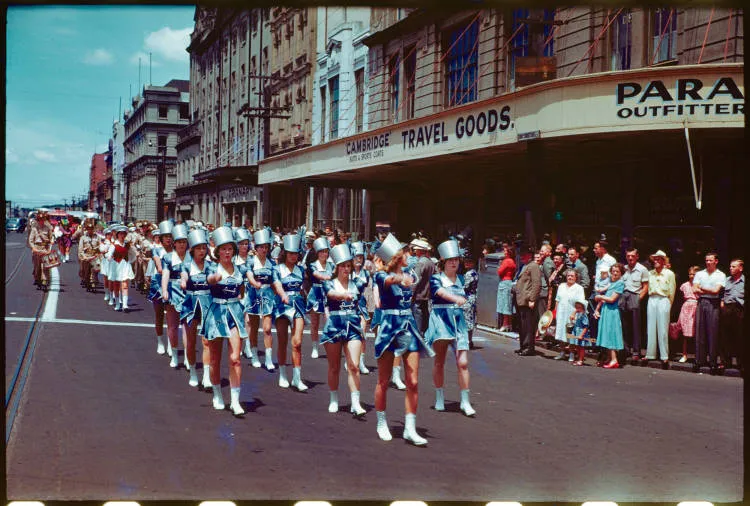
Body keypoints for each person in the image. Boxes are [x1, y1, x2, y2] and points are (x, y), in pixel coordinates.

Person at [373, 233, 434, 445]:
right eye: (407, 252)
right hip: (389, 326)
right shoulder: (381, 276)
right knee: (383, 379)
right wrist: (401, 278)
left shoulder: (411, 272)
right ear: (397, 256)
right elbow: (390, 280)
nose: (410, 255)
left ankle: (410, 428)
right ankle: (381, 422)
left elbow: (419, 279)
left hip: (408, 325)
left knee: (414, 381)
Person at [425, 239, 475, 417]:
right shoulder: (436, 278)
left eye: (456, 259)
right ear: (443, 261)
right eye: (450, 259)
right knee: (439, 361)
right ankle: (439, 396)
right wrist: (456, 299)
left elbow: (468, 297)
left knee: (463, 363)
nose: (454, 262)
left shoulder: (462, 279)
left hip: (459, 322)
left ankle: (465, 401)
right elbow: (440, 293)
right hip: (441, 321)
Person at [202, 226, 248, 416]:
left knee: (235, 359)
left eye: (230, 249)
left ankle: (235, 401)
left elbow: (243, 292)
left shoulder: (241, 270)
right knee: (215, 358)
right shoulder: (213, 268)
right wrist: (215, 278)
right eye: (223, 249)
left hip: (235, 312)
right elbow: (210, 280)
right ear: (218, 251)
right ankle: (217, 394)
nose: (227, 252)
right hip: (216, 312)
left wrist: (243, 310)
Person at [320, 244, 368, 415]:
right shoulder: (329, 284)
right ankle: (334, 398)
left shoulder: (358, 284)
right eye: (343, 266)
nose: (347, 269)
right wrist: (344, 295)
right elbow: (331, 295)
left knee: (354, 365)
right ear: (337, 267)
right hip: (334, 324)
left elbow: (363, 303)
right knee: (334, 366)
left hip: (353, 325)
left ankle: (355, 402)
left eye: (349, 265)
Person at [272, 233, 309, 390]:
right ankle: (282, 375)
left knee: (297, 342)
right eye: (290, 253)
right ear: (285, 254)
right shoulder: (277, 269)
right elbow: (277, 285)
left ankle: (296, 378)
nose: (293, 256)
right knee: (282, 341)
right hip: (281, 306)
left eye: (296, 253)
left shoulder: (301, 270)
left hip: (298, 305)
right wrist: (283, 295)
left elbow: (306, 288)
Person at [179, 228, 212, 388]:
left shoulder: (211, 266)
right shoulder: (186, 266)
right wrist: (184, 282)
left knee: (206, 341)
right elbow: (184, 277)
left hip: (207, 303)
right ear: (192, 250)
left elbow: (213, 278)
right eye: (198, 248)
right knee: (191, 342)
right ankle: (193, 371)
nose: (201, 251)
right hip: (191, 304)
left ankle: (206, 376)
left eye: (204, 248)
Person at [244, 229, 277, 371]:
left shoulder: (272, 264)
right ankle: (255, 355)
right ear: (256, 248)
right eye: (261, 247)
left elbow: (276, 281)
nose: (264, 249)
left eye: (266, 247)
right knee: (253, 327)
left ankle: (269, 359)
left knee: (267, 328)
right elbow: (249, 275)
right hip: (253, 296)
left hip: (268, 296)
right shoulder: (251, 262)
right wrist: (254, 283)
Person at [161, 223, 191, 368]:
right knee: (172, 326)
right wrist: (165, 290)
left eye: (184, 242)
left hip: (188, 292)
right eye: (179, 242)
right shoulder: (167, 258)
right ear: (174, 243)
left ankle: (187, 355)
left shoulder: (191, 258)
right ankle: (174, 354)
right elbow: (165, 275)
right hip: (173, 291)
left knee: (187, 326)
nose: (181, 245)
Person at [693, 252, 726, 373]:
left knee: (713, 332)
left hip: (714, 303)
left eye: (710, 260)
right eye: (706, 260)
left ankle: (713, 362)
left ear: (716, 261)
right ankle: (699, 360)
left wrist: (702, 289)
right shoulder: (699, 274)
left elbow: (716, 291)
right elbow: (694, 288)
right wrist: (705, 290)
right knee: (700, 332)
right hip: (701, 302)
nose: (708, 262)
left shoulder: (720, 275)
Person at [644, 250, 676, 368]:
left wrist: (668, 305)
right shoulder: (650, 273)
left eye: (658, 259)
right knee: (651, 327)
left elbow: (672, 291)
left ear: (663, 261)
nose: (656, 261)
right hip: (652, 298)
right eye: (655, 259)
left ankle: (664, 356)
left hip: (663, 299)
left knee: (663, 328)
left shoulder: (669, 274)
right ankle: (650, 354)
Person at [306, 236, 334, 359]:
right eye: (322, 251)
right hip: (316, 292)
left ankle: (329, 346)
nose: (324, 254)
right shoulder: (313, 265)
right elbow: (317, 275)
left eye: (326, 251)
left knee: (329, 321)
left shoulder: (332, 265)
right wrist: (332, 276)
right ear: (317, 253)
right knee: (315, 322)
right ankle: (315, 347)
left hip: (328, 293)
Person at [594, 263, 626, 369]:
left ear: (621, 273)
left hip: (612, 311)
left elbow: (612, 299)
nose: (615, 273)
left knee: (611, 333)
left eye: (617, 271)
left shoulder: (620, 283)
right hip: (606, 310)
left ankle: (614, 360)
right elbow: (605, 297)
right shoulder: (612, 283)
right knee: (606, 333)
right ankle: (608, 358)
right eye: (613, 271)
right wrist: (597, 309)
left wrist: (600, 296)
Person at [621, 249, 650, 363]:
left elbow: (645, 286)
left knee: (635, 326)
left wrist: (638, 299)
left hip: (635, 295)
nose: (630, 258)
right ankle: (625, 349)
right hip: (624, 296)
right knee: (624, 325)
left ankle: (636, 351)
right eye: (628, 256)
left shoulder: (642, 269)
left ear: (637, 256)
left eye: (632, 256)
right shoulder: (624, 268)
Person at [148, 221, 172, 356]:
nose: (168, 238)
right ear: (161, 238)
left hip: (173, 285)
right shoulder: (157, 249)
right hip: (158, 283)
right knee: (159, 315)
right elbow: (159, 266)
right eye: (166, 236)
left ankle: (170, 342)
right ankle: (160, 341)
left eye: (170, 236)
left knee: (172, 316)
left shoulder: (177, 252)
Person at [514, 247, 542, 356]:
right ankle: (523, 346)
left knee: (528, 325)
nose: (521, 257)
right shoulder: (525, 266)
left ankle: (528, 347)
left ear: (529, 256)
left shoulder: (533, 266)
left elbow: (536, 284)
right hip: (521, 300)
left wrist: (532, 299)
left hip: (527, 300)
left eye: (524, 255)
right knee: (522, 325)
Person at [553, 269, 585, 361]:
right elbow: (557, 299)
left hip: (572, 313)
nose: (570, 277)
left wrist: (574, 313)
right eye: (568, 276)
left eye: (572, 276)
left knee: (570, 333)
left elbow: (580, 303)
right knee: (560, 332)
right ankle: (562, 352)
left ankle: (571, 353)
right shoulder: (561, 286)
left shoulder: (579, 288)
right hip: (561, 312)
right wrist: (555, 312)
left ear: (576, 277)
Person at [351, 241, 372, 374]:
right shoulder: (347, 272)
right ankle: (351, 361)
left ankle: (362, 361)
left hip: (362, 304)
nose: (359, 259)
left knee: (363, 333)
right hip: (348, 305)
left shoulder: (366, 273)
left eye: (361, 257)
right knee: (350, 335)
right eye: (356, 256)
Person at [719, 259, 744, 371]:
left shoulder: (745, 281)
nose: (731, 268)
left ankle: (741, 363)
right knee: (725, 336)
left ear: (740, 268)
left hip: (739, 309)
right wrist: (722, 303)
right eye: (730, 266)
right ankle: (725, 362)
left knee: (740, 337)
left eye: (733, 266)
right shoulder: (727, 280)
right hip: (727, 308)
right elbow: (722, 294)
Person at [410, 238, 435, 336]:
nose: (415, 251)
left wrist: (411, 294)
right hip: (427, 295)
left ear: (420, 251)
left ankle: (418, 336)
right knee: (425, 315)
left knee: (418, 316)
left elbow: (415, 281)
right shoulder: (430, 262)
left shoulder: (420, 263)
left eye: (416, 250)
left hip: (418, 295)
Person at [108, 226, 136, 312]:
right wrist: (109, 257)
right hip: (116, 266)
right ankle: (117, 303)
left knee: (125, 285)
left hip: (125, 266)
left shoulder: (127, 245)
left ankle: (125, 305)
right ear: (117, 235)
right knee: (116, 285)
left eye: (124, 234)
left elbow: (133, 254)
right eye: (120, 234)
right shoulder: (114, 245)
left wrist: (131, 261)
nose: (122, 235)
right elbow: (109, 254)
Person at [677, 265, 701, 363]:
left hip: (696, 307)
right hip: (686, 308)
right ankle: (684, 354)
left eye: (694, 274)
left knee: (697, 332)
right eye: (690, 274)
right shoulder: (684, 285)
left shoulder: (700, 285)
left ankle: (697, 355)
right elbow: (681, 297)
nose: (691, 276)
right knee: (685, 333)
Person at [496, 245, 516, 331]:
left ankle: (505, 324)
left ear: (508, 253)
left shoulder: (506, 261)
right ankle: (509, 324)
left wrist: (499, 267)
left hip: (504, 283)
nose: (504, 252)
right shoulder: (513, 261)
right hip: (510, 282)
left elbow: (499, 272)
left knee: (504, 304)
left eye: (505, 251)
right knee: (508, 304)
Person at [461, 254, 479, 349]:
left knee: (467, 319)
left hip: (467, 297)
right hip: (473, 297)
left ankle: (467, 341)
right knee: (470, 318)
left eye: (469, 262)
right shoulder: (475, 273)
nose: (466, 263)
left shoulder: (469, 274)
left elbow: (465, 287)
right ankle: (469, 340)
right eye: (465, 262)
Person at [77, 219, 100, 291]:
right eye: (89, 229)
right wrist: (83, 257)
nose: (90, 230)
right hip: (86, 256)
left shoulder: (97, 237)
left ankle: (93, 283)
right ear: (87, 229)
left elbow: (100, 246)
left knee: (94, 271)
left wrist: (98, 254)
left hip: (94, 256)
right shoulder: (83, 238)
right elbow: (80, 249)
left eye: (91, 229)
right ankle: (87, 282)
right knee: (86, 272)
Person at [568, 297, 591, 366]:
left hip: (581, 333)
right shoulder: (578, 314)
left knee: (581, 347)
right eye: (576, 307)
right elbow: (573, 321)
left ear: (583, 308)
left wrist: (581, 335)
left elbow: (586, 327)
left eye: (579, 308)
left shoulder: (584, 315)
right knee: (577, 346)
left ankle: (581, 360)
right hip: (576, 331)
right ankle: (578, 359)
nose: (577, 309)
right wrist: (573, 314)